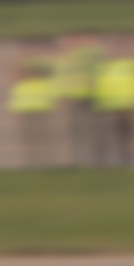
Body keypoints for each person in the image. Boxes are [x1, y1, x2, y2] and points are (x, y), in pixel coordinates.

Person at [94, 37, 134, 168]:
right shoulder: (104, 65)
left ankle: (129, 158)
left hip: (128, 104)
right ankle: (104, 160)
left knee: (129, 134)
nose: (118, 50)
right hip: (109, 105)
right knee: (109, 135)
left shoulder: (133, 63)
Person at [50, 30, 104, 168]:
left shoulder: (86, 54)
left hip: (88, 95)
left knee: (90, 128)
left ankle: (93, 157)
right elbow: (60, 79)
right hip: (74, 97)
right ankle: (81, 158)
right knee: (77, 130)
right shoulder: (65, 58)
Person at [5, 38, 62, 167]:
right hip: (25, 103)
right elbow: (13, 78)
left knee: (43, 136)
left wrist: (24, 69)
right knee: (31, 137)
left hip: (41, 102)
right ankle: (35, 163)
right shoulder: (23, 62)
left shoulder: (44, 61)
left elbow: (33, 74)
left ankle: (46, 162)